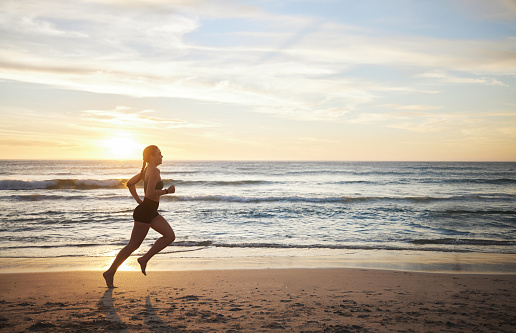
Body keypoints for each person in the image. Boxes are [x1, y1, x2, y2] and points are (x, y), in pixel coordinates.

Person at [103, 145, 176, 288]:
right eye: (159, 154)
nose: (162, 156)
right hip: (144, 213)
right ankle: (110, 272)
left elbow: (130, 184)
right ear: (151, 157)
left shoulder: (146, 170)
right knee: (133, 245)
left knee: (169, 236)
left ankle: (144, 259)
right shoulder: (154, 170)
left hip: (150, 211)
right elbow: (149, 193)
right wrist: (167, 191)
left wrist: (138, 200)